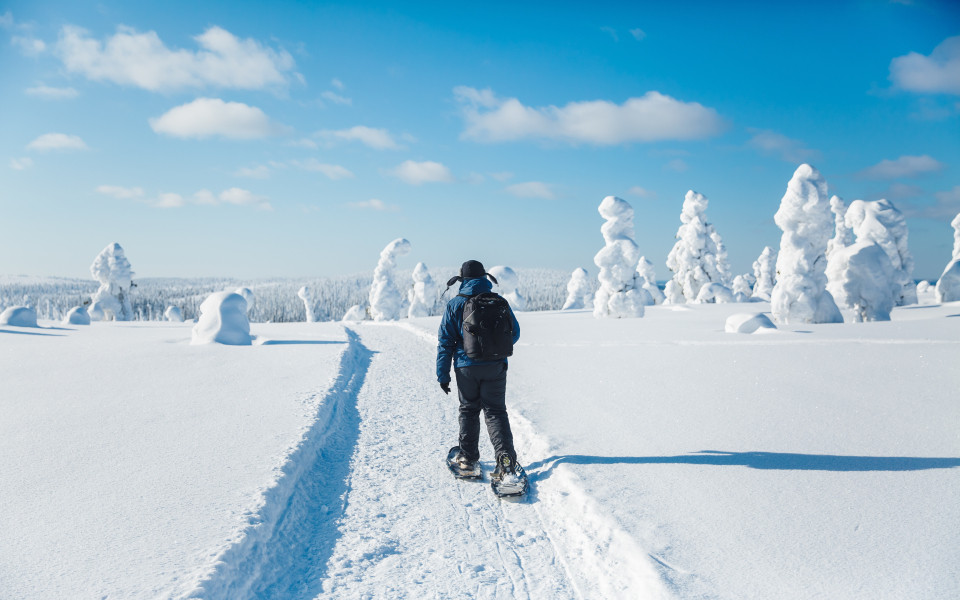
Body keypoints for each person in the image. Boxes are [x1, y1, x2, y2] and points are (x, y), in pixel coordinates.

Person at [437, 260, 521, 480]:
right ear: (484, 277)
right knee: (496, 412)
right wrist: (493, 350)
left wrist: (443, 375)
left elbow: (445, 342)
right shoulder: (499, 301)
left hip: (466, 368)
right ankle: (505, 461)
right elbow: (514, 333)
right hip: (495, 367)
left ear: (462, 279)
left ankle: (468, 458)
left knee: (469, 410)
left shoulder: (455, 304)